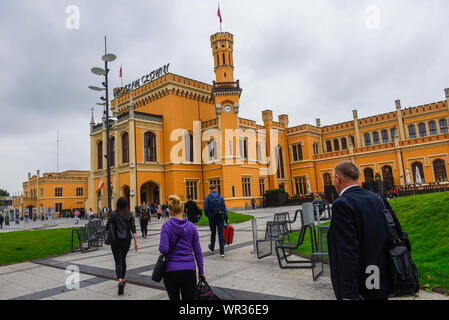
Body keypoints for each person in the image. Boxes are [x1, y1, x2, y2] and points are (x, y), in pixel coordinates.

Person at [327, 161, 403, 300]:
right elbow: (396, 231)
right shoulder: (378, 198)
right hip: (382, 274)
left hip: (361, 281)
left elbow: (346, 250)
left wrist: (347, 293)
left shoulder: (342, 204)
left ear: (337, 179)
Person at [159, 194, 205, 301]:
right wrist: (201, 271)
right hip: (189, 270)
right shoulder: (191, 227)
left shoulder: (166, 226)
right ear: (183, 209)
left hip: (171, 271)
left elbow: (164, 249)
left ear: (170, 211)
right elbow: (198, 251)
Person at [106, 197, 138, 296]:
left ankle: (120, 280)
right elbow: (133, 228)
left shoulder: (113, 214)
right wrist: (136, 242)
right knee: (123, 259)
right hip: (126, 241)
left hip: (115, 241)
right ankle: (123, 279)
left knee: (118, 261)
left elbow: (107, 226)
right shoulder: (130, 214)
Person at [204, 185, 228, 258]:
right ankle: (222, 252)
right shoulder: (221, 197)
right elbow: (224, 209)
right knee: (220, 233)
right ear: (216, 189)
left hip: (212, 218)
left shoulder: (208, 198)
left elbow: (205, 209)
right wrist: (226, 219)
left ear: (210, 189)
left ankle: (212, 248)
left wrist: (208, 216)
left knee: (213, 233)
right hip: (220, 217)